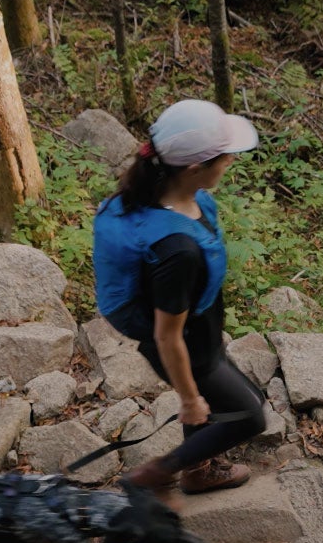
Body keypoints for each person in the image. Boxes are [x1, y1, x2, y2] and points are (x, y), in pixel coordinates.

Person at [92, 99, 268, 500]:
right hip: (184, 342)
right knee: (250, 414)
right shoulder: (177, 250)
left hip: (199, 326)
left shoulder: (167, 195)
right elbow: (167, 336)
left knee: (223, 399)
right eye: (225, 157)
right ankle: (156, 473)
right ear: (194, 168)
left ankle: (198, 469)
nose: (231, 162)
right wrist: (188, 400)